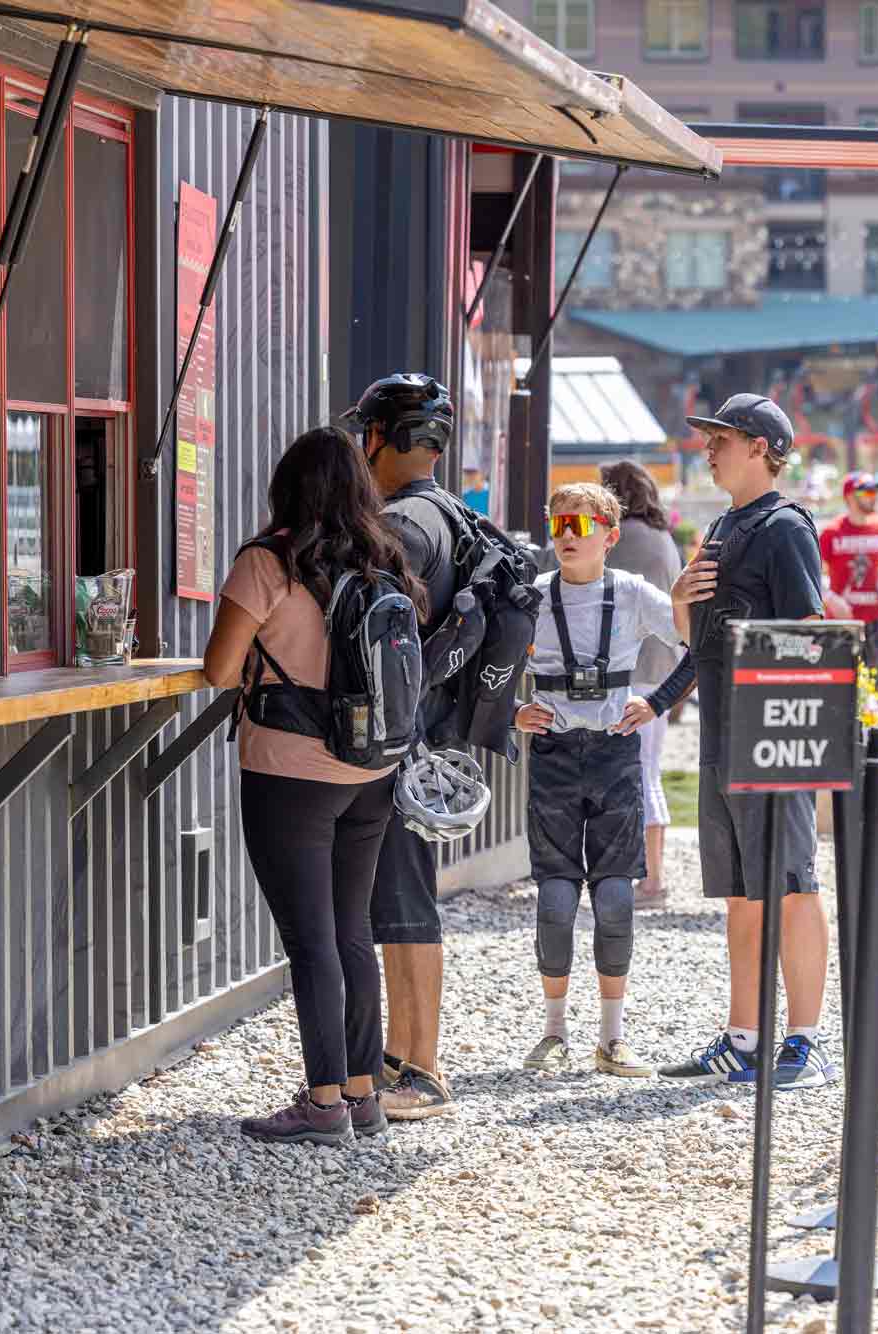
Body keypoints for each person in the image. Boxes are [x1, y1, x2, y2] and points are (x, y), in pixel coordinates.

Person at [203, 426, 419, 1146]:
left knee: (311, 940)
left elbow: (218, 670)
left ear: (286, 487)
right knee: (351, 929)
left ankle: (322, 1102)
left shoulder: (270, 562)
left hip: (289, 772)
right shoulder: (386, 562)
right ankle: (363, 1096)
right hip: (372, 770)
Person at [657, 393, 836, 1091]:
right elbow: (698, 648)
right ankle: (745, 1037)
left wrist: (798, 744)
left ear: (761, 447)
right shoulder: (727, 525)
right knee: (741, 892)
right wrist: (679, 602)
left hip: (774, 735)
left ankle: (807, 1040)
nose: (708, 448)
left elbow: (810, 631)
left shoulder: (786, 527)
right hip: (723, 733)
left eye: (721, 438)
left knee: (792, 885)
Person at [513, 483, 692, 1078]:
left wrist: (656, 701)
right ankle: (554, 1031)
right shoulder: (531, 597)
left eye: (580, 525)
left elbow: (700, 646)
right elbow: (481, 665)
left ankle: (612, 1039)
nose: (567, 534)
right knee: (557, 900)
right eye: (559, 522)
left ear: (609, 537)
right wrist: (512, 713)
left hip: (616, 754)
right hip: (555, 755)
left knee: (616, 899)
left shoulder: (636, 595)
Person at [341, 373, 466, 1121]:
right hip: (433, 733)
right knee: (402, 896)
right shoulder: (448, 513)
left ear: (382, 437)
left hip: (402, 738)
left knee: (405, 900)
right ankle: (401, 1056)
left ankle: (421, 1069)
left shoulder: (402, 527)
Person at [600, 461, 683, 911]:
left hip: (625, 669)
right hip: (663, 668)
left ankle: (648, 880)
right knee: (649, 769)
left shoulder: (618, 539)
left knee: (631, 776)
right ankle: (653, 875)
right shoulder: (664, 539)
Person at [819, 472, 878, 688]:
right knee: (841, 688)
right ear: (850, 497)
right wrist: (831, 599)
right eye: (868, 491)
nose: (874, 496)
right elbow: (813, 574)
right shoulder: (831, 532)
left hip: (876, 619)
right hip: (842, 622)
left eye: (875, 491)